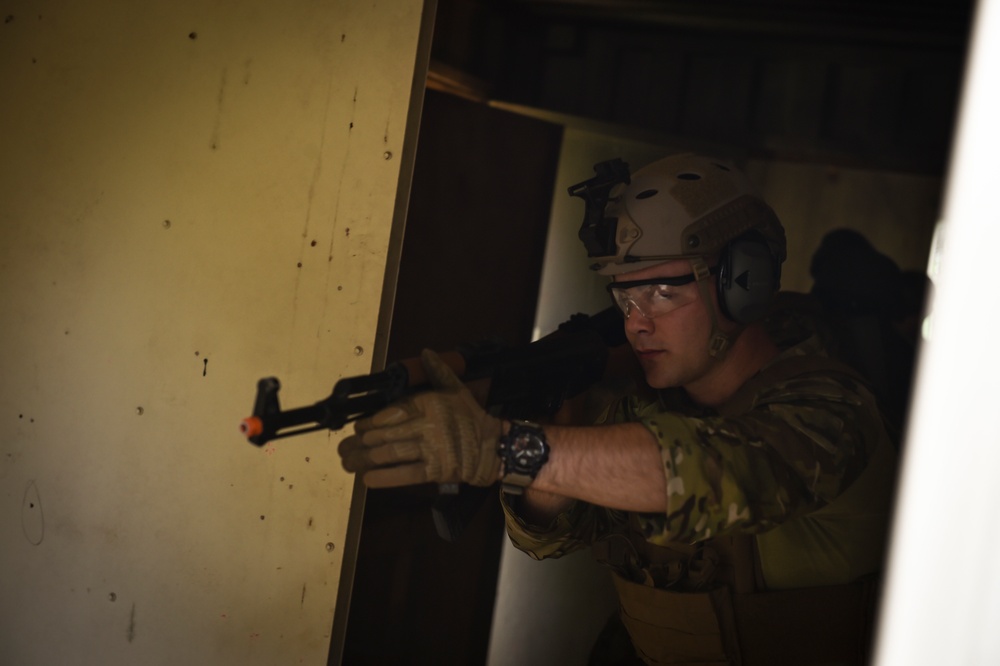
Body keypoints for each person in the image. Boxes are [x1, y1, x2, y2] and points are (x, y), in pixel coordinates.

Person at [338, 153, 898, 665]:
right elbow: (548, 537)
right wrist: (557, 407)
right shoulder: (639, 406)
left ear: (741, 283)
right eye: (625, 298)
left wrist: (506, 447)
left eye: (660, 293)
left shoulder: (833, 407)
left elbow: (709, 472)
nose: (637, 322)